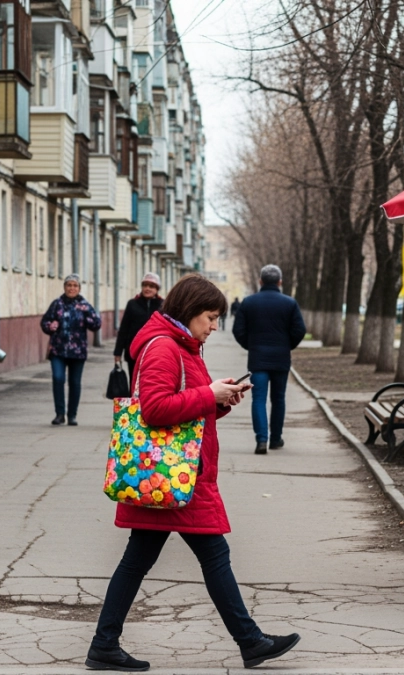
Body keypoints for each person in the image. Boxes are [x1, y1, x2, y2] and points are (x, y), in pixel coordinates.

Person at [87, 274, 300, 672]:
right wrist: (208, 395)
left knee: (140, 561)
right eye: (211, 317)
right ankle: (250, 641)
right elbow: (153, 409)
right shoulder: (164, 348)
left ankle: (104, 644)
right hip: (175, 473)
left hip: (175, 474)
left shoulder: (184, 345)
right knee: (213, 554)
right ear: (189, 312)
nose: (216, 325)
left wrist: (219, 399)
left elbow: (184, 406)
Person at [232, 265, 306, 455]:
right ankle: (275, 439)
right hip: (281, 358)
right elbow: (299, 330)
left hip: (258, 359)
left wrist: (251, 346)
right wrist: (286, 345)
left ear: (261, 281)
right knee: (278, 399)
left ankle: (261, 440)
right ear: (280, 282)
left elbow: (238, 330)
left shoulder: (249, 302)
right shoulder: (289, 303)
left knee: (258, 399)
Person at [41, 274, 102, 426]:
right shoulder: (57, 304)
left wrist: (87, 315)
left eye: (75, 285)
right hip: (58, 350)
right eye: (69, 285)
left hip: (77, 352)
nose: (72, 288)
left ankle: (72, 415)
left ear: (79, 288)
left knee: (75, 383)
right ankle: (59, 414)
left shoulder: (84, 305)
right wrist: (50, 326)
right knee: (58, 378)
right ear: (64, 287)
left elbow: (96, 324)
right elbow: (45, 321)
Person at [113, 272, 164, 381]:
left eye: (151, 286)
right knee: (134, 384)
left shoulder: (163, 305)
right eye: (145, 285)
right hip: (133, 353)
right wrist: (118, 353)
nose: (147, 288)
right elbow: (124, 330)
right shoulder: (132, 304)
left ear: (157, 289)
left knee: (152, 384)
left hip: (155, 353)